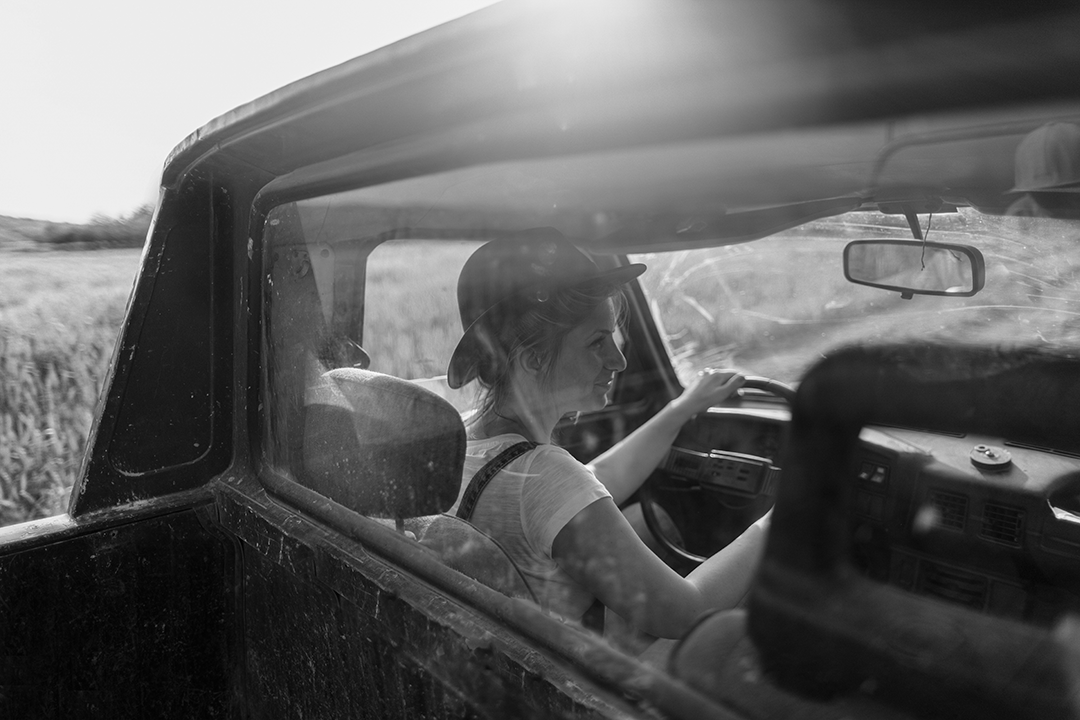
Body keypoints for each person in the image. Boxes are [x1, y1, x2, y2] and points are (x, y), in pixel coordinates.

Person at [444, 228, 770, 643]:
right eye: (598, 342)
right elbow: (688, 612)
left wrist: (682, 409)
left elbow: (587, 485)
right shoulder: (543, 477)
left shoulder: (468, 439)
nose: (617, 361)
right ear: (532, 359)